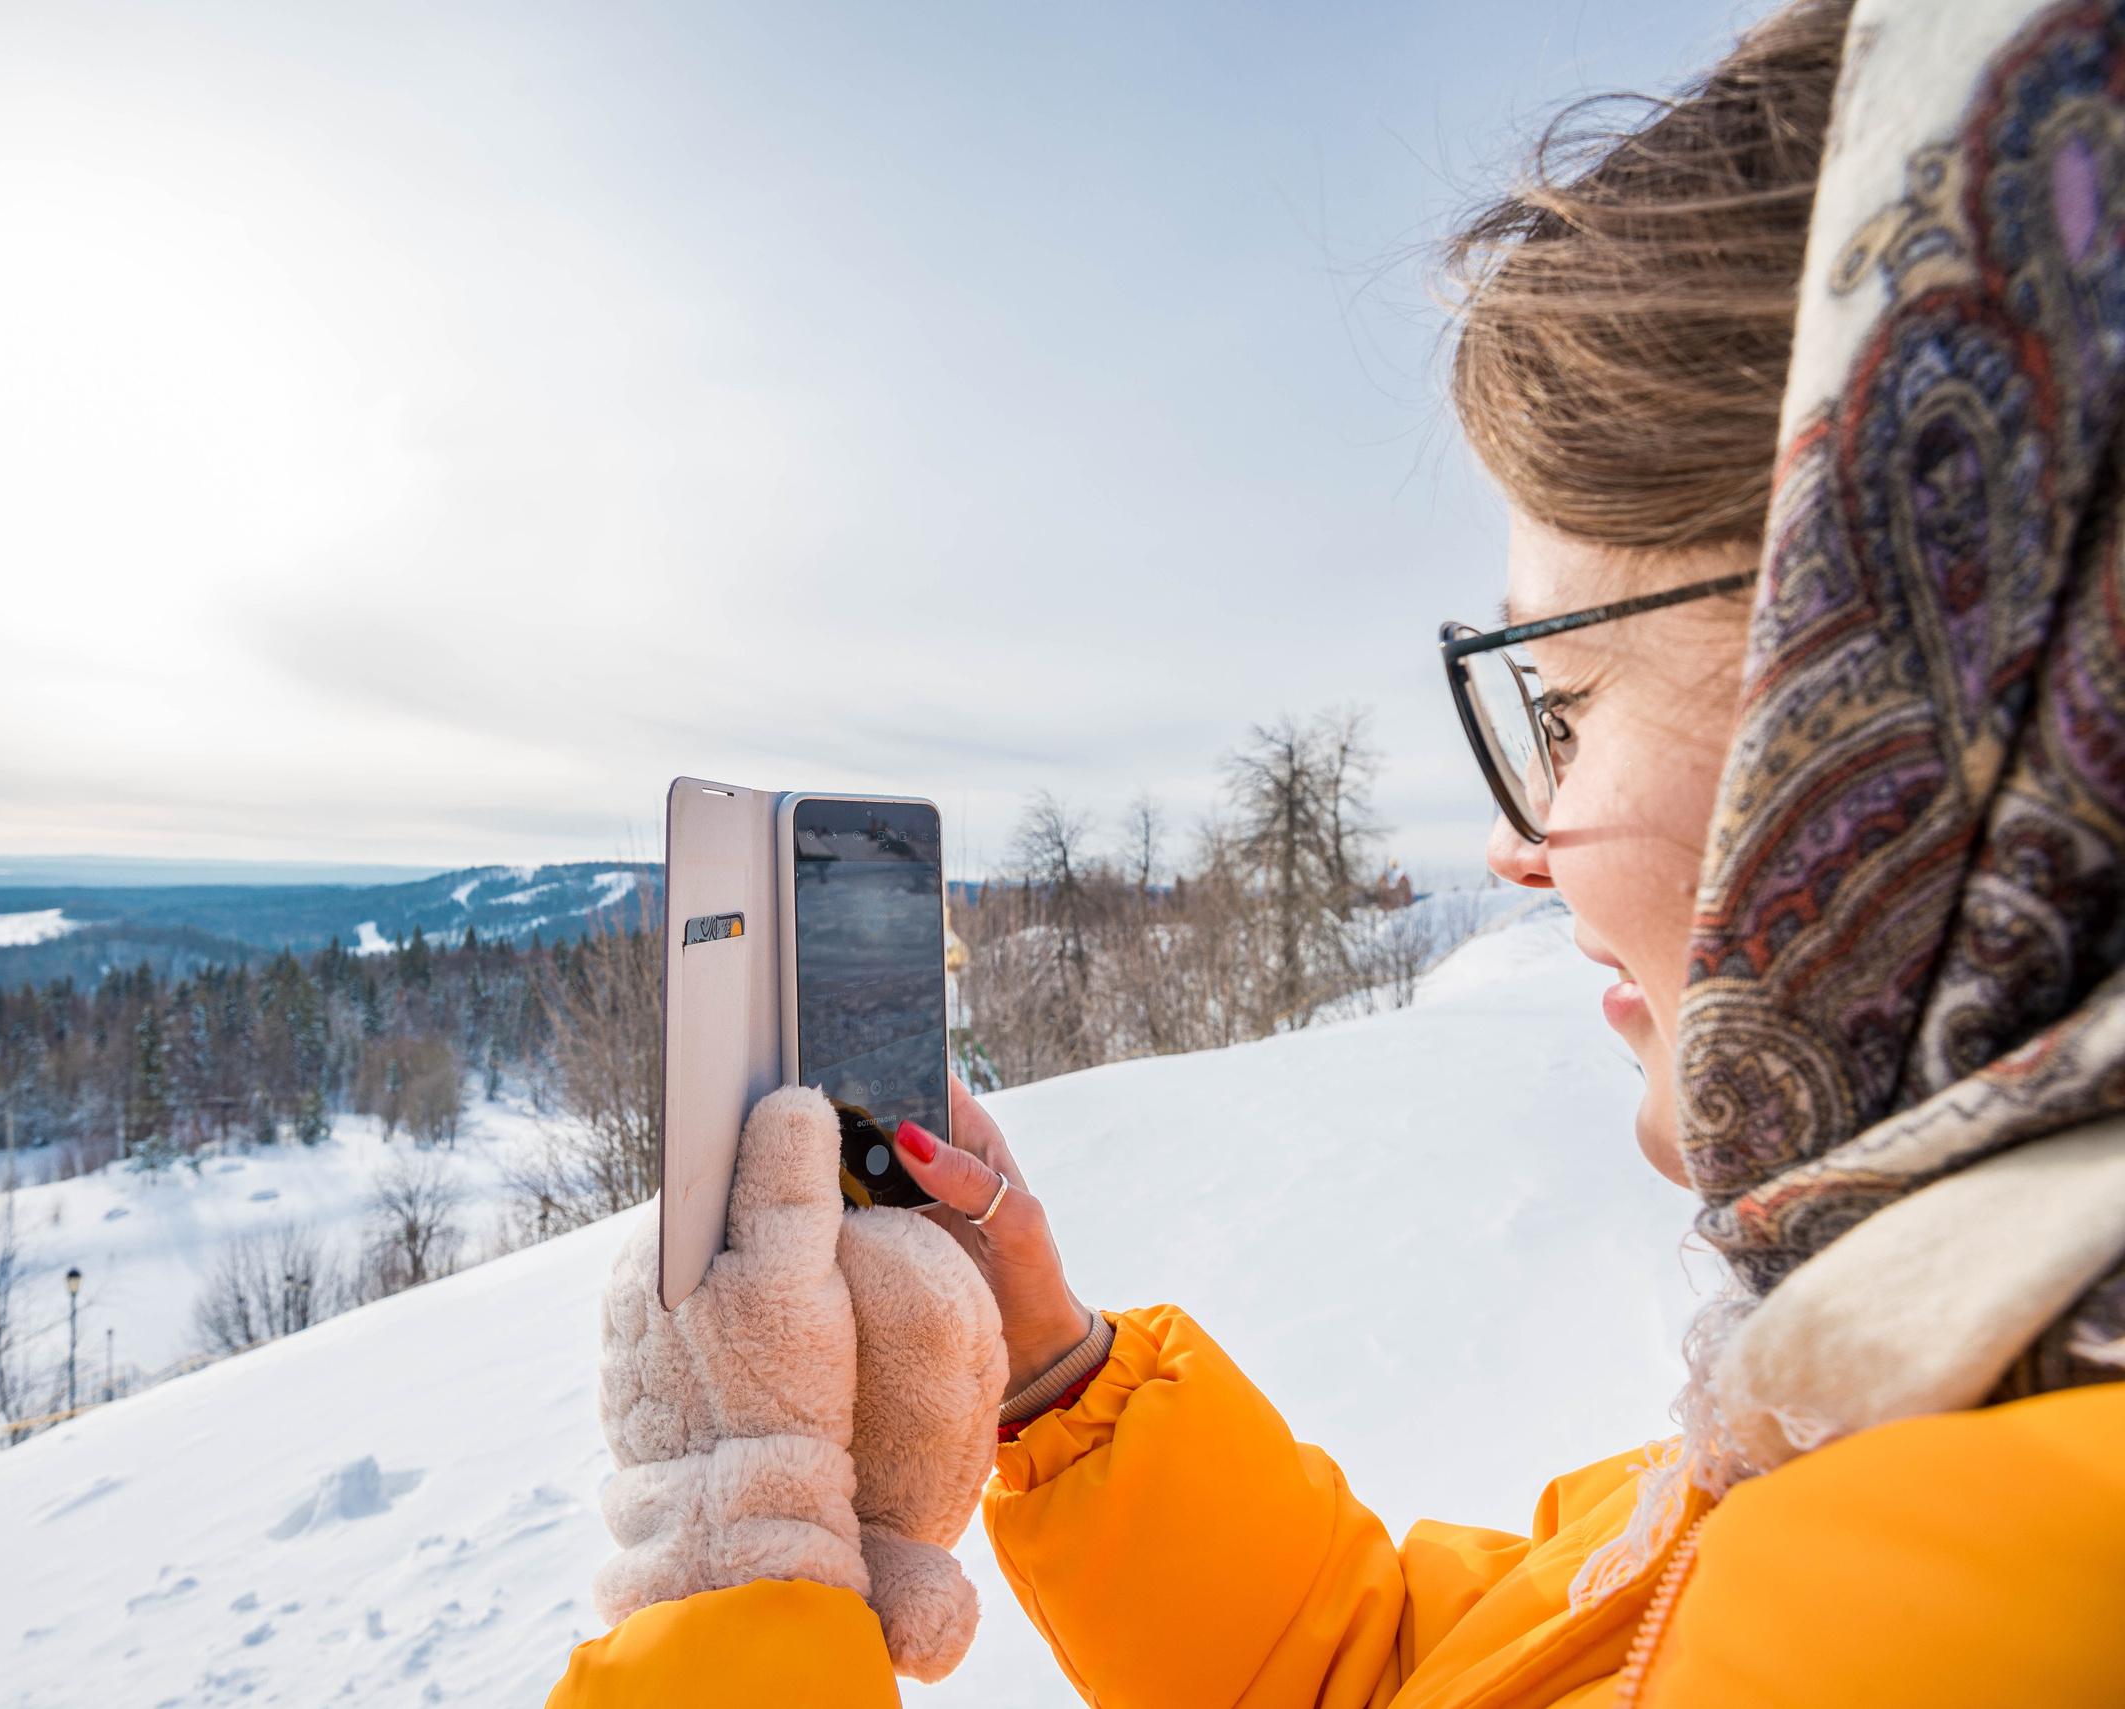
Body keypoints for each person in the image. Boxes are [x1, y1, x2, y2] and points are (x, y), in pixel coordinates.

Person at [549, 0, 2125, 1701]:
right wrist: (1053, 1375)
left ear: (1926, 694)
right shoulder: (1895, 1399)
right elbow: (1407, 1674)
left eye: (1567, 702)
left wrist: (732, 1576)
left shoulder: (1981, 1616)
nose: (1523, 856)